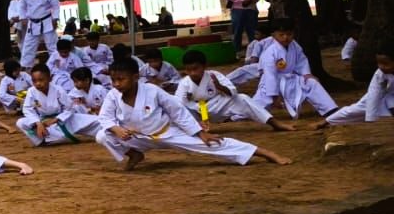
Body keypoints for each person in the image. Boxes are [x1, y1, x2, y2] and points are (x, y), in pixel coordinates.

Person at [96, 59, 289, 170]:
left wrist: (200, 133)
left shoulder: (152, 91)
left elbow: (177, 111)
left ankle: (265, 153)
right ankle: (134, 154)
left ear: (135, 77)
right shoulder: (113, 95)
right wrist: (116, 129)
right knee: (103, 135)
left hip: (167, 132)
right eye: (113, 80)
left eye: (121, 79)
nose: (116, 84)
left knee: (212, 144)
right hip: (139, 137)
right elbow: (104, 117)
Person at [174, 50, 292, 132]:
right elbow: (177, 104)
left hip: (217, 106)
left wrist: (220, 86)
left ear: (205, 66)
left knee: (242, 98)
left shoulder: (214, 75)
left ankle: (274, 123)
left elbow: (233, 92)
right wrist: (187, 101)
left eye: (195, 69)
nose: (192, 73)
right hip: (198, 112)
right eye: (189, 70)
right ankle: (196, 130)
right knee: (179, 107)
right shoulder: (184, 83)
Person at [254, 19, 337, 119]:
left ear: (294, 33)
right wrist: (274, 95)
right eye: (281, 35)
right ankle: (241, 114)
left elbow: (302, 61)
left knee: (311, 83)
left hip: (291, 79)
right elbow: (270, 75)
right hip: (272, 82)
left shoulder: (295, 46)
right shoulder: (270, 51)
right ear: (274, 35)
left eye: (289, 34)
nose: (286, 37)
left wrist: (306, 74)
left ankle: (330, 109)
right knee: (256, 108)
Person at [18, 62, 100, 146]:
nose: (38, 83)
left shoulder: (58, 90)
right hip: (43, 121)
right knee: (21, 122)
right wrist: (38, 123)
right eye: (34, 81)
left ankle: (54, 137)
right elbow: (27, 109)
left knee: (98, 121)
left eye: (41, 80)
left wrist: (55, 120)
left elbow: (69, 108)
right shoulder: (31, 91)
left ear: (50, 78)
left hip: (64, 119)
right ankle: (40, 141)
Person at [320, 45, 394, 127]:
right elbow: (374, 93)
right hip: (385, 96)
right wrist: (371, 119)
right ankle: (327, 121)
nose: (381, 67)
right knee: (356, 109)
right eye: (378, 63)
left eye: (385, 64)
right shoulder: (380, 73)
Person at [12, 0, 61, 67]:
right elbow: (22, 7)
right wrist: (23, 18)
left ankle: (57, 65)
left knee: (52, 45)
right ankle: (26, 66)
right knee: (28, 46)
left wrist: (55, 18)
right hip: (32, 23)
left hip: (47, 22)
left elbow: (56, 6)